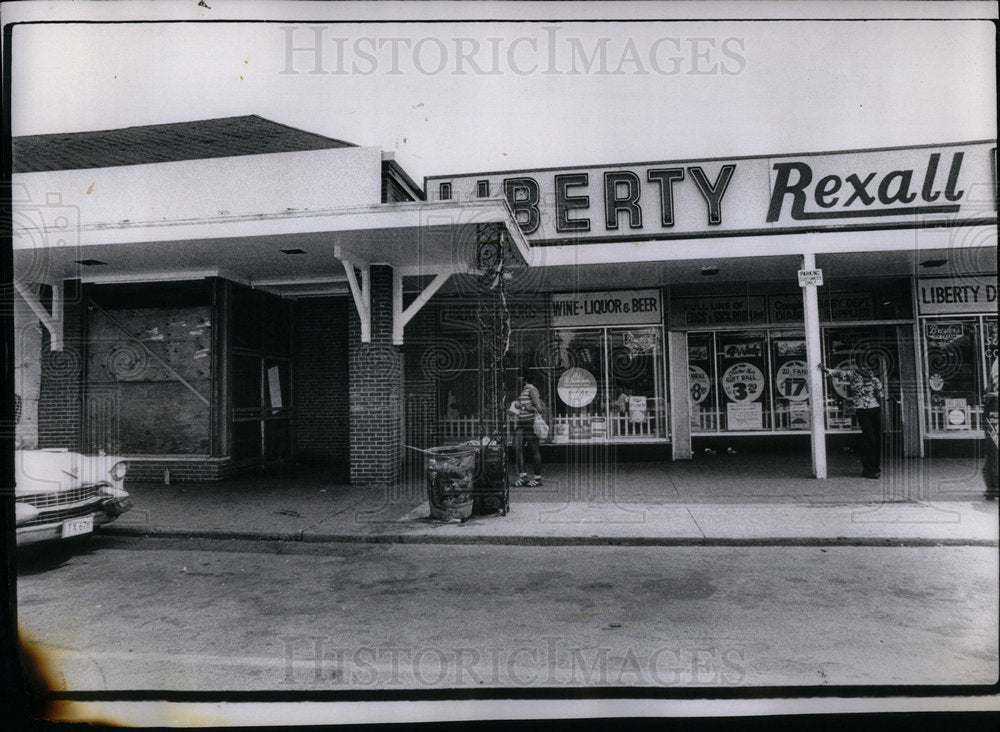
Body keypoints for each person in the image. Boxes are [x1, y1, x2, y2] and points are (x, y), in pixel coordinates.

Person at [819, 361, 884, 478]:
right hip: (862, 409)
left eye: (868, 366)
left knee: (877, 438)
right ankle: (868, 468)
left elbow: (880, 395)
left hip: (875, 409)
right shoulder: (853, 375)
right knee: (870, 438)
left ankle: (875, 467)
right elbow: (838, 373)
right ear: (859, 366)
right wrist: (825, 369)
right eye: (863, 365)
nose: (865, 368)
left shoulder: (874, 379)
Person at [510, 367, 544, 487]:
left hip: (530, 424)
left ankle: (538, 479)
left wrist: (522, 407)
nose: (517, 379)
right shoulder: (522, 390)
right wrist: (514, 410)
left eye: (519, 377)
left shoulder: (531, 389)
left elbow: (539, 409)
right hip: (521, 424)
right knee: (516, 447)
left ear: (525, 378)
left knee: (534, 450)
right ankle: (523, 477)